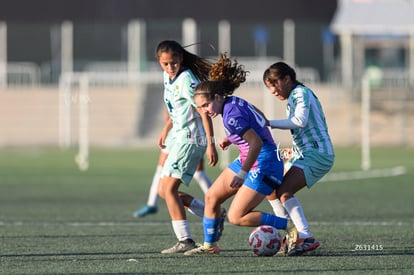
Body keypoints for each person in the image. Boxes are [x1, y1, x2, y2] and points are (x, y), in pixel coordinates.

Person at [184, 53, 298, 256]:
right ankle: (210, 246)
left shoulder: (231, 117)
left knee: (236, 217)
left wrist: (243, 173)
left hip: (263, 163)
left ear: (217, 97)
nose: (205, 111)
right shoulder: (233, 102)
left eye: (206, 105)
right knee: (212, 197)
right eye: (200, 108)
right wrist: (233, 138)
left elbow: (255, 142)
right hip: (252, 157)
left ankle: (289, 226)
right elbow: (259, 118)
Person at [262, 61, 335, 256]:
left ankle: (305, 236)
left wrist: (269, 123)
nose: (273, 91)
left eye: (274, 84)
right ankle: (289, 235)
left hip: (318, 153)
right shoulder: (293, 96)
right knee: (271, 188)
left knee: (284, 192)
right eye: (269, 87)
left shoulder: (301, 93)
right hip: (304, 152)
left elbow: (299, 121)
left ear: (287, 79)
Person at [155, 40, 220, 254]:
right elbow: (176, 108)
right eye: (165, 64)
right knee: (164, 192)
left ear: (181, 59)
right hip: (178, 136)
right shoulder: (168, 76)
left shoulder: (186, 80)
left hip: (191, 139)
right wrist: (166, 129)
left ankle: (185, 240)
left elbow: (202, 111)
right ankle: (213, 213)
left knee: (170, 189)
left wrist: (211, 144)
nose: (170, 67)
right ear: (160, 62)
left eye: (173, 63)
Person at [133, 111, 213, 218]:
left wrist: (210, 143)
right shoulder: (172, 95)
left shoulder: (187, 95)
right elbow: (171, 113)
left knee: (195, 175)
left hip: (190, 136)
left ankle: (214, 201)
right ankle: (152, 203)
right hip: (180, 134)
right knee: (164, 180)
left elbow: (172, 113)